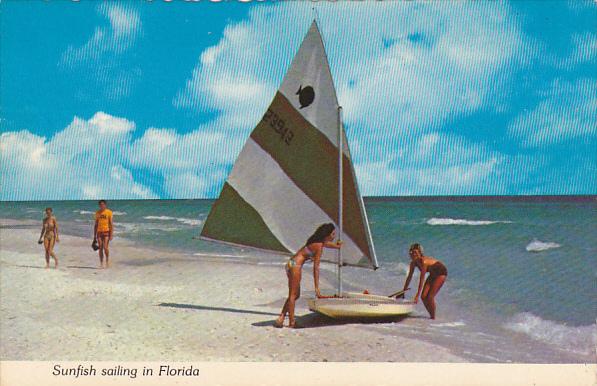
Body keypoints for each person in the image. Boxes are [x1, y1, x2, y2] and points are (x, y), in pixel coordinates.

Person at [274, 223, 342, 328]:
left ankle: (281, 318)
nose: (334, 237)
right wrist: (317, 288)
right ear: (327, 235)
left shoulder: (317, 242)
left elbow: (327, 244)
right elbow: (316, 268)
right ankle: (292, 322)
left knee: (295, 295)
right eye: (332, 234)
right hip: (295, 265)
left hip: (291, 263)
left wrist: (337, 246)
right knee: (293, 295)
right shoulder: (319, 246)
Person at [402, 243, 447, 319]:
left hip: (441, 273)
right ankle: (431, 315)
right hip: (433, 274)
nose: (413, 254)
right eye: (412, 253)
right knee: (423, 297)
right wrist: (403, 291)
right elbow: (409, 277)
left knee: (430, 297)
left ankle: (433, 317)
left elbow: (421, 279)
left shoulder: (424, 262)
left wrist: (417, 295)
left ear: (420, 253)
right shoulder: (413, 263)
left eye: (415, 252)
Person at [94, 200, 113, 269]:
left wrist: (111, 234)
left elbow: (111, 224)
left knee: (105, 247)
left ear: (105, 205)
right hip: (99, 232)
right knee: (100, 248)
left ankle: (107, 261)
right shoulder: (97, 213)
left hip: (106, 232)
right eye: (100, 205)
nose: (102, 206)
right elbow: (96, 224)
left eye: (103, 204)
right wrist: (94, 236)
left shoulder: (109, 212)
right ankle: (101, 263)